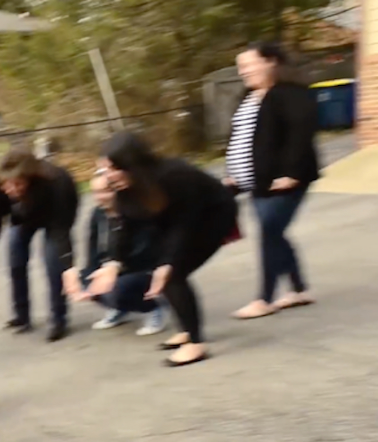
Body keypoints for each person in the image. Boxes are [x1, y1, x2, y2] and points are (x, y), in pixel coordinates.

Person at [86, 131, 237, 367]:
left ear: (133, 165)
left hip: (212, 216)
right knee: (166, 271)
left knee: (172, 273)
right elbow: (123, 226)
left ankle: (195, 344)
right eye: (105, 170)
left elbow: (183, 225)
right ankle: (188, 330)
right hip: (174, 222)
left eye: (113, 169)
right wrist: (112, 263)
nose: (108, 176)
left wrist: (168, 262)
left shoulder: (175, 176)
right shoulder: (123, 187)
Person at [223, 41, 320, 320]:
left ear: (271, 62)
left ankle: (264, 298)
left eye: (249, 64)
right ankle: (299, 290)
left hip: (285, 181)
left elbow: (300, 135)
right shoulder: (250, 96)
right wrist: (234, 174)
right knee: (274, 232)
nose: (243, 71)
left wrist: (292, 173)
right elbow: (243, 138)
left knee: (269, 232)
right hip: (257, 182)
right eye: (241, 66)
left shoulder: (291, 93)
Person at [0, 146, 80, 342]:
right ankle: (22, 316)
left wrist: (68, 265)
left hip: (55, 214)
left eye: (19, 184)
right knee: (16, 258)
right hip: (23, 216)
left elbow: (61, 230)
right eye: (7, 186)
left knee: (53, 264)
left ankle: (59, 319)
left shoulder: (56, 181)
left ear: (30, 177)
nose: (13, 190)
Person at [62, 173, 165, 336]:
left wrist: (115, 270)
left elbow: (144, 251)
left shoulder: (135, 212)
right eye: (95, 192)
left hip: (142, 268)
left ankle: (152, 307)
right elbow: (93, 247)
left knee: (116, 289)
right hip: (112, 268)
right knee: (84, 281)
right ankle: (120, 308)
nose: (100, 197)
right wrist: (88, 274)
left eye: (106, 191)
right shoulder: (97, 214)